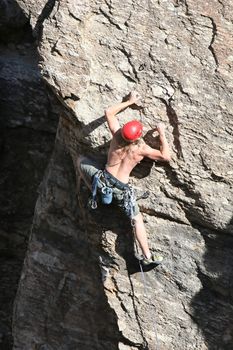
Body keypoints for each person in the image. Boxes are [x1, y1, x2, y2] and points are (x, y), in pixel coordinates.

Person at [77, 91, 171, 266]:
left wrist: (129, 102)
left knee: (80, 160)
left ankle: (94, 191)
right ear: (137, 137)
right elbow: (166, 157)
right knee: (136, 220)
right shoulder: (141, 149)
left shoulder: (116, 136)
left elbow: (109, 112)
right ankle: (148, 256)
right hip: (122, 190)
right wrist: (162, 133)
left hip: (103, 180)